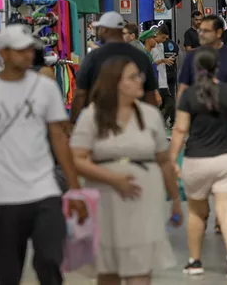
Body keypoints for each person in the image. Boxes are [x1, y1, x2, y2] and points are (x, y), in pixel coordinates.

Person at [70, 57, 181, 285]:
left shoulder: (150, 115)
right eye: (133, 77)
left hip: (145, 198)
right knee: (108, 269)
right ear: (115, 82)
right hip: (105, 198)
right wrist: (114, 179)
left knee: (140, 267)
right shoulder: (93, 115)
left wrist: (176, 199)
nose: (140, 80)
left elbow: (164, 160)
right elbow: (77, 159)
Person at [0, 24, 87, 285]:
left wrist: (75, 189)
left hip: (44, 191)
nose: (28, 56)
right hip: (4, 196)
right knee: (7, 273)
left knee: (49, 260)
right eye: (20, 51)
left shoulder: (46, 88)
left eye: (30, 50)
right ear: (3, 53)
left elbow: (60, 139)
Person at [169, 47, 227, 278]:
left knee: (196, 212)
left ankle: (195, 261)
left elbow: (180, 129)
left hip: (197, 160)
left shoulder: (188, 95)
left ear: (195, 69)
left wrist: (172, 159)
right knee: (226, 209)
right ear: (218, 68)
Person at [70, 12, 159, 123]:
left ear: (105, 30)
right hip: (132, 122)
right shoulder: (141, 57)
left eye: (100, 29)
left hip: (102, 122)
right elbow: (150, 95)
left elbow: (80, 93)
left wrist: (73, 122)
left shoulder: (94, 57)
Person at [178, 15, 227, 136]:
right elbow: (182, 89)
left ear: (219, 32)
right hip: (198, 123)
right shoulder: (191, 57)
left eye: (206, 31)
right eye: (200, 30)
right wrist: (179, 118)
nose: (201, 34)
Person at [151, 25, 176, 124]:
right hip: (155, 81)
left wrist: (165, 61)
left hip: (163, 81)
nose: (164, 40)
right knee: (157, 106)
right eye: (163, 38)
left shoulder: (161, 46)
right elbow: (150, 64)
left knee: (170, 104)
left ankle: (160, 123)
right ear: (156, 34)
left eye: (166, 38)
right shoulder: (151, 47)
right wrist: (162, 60)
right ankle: (156, 124)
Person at [162, 25, 180, 126]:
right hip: (172, 73)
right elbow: (175, 59)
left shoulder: (159, 45)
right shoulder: (175, 45)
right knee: (172, 96)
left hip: (163, 75)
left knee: (163, 98)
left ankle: (162, 119)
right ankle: (173, 120)